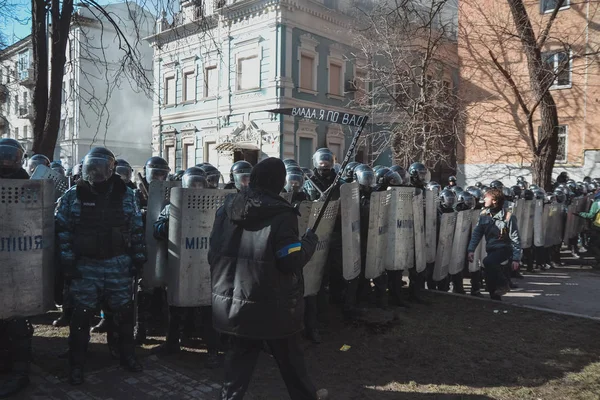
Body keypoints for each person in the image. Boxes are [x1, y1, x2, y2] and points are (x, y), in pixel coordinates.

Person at [209, 157, 328, 400]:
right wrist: (308, 242)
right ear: (278, 183)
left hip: (233, 303)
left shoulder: (226, 207)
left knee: (237, 365)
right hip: (273, 306)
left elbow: (213, 252)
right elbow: (290, 261)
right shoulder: (283, 215)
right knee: (291, 361)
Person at [55, 147, 147, 385]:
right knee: (81, 316)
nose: (95, 173)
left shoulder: (127, 195)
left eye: (100, 168)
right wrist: (67, 261)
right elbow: (63, 230)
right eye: (91, 168)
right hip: (86, 266)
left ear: (111, 169)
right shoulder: (72, 196)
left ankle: (126, 355)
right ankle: (77, 364)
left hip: (118, 263)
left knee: (124, 315)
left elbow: (136, 228)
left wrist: (138, 258)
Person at [154, 168, 219, 365]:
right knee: (176, 306)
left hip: (204, 263)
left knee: (208, 309)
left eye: (199, 185)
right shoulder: (172, 206)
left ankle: (213, 350)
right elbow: (158, 230)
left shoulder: (214, 206)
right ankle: (172, 343)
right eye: (192, 185)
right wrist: (171, 225)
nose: (196, 188)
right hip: (180, 262)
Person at [0, 138, 33, 398]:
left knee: (18, 318)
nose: (7, 161)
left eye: (12, 156)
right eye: (4, 156)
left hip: (21, 256)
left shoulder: (28, 184)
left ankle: (21, 370)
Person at [467, 188, 521, 301]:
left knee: (487, 262)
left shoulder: (508, 217)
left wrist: (516, 258)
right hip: (491, 249)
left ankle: (504, 283)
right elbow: (477, 234)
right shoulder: (484, 215)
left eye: (487, 197)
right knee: (488, 274)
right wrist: (471, 250)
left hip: (504, 249)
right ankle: (495, 299)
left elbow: (515, 238)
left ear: (495, 200)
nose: (484, 199)